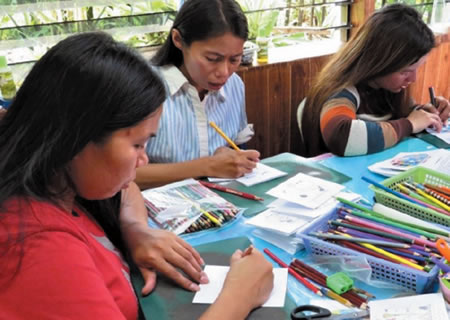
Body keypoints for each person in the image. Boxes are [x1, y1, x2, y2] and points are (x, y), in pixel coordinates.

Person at [0, 32, 273, 319]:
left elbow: (125, 188)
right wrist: (240, 294)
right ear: (77, 138)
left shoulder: (55, 178)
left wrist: (135, 229)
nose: (144, 158)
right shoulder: (40, 250)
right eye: (138, 145)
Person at [135, 0, 260, 190]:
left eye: (235, 59)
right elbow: (125, 176)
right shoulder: (143, 89)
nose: (224, 72)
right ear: (178, 39)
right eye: (212, 59)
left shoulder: (234, 85)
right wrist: (208, 165)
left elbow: (238, 148)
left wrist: (234, 158)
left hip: (223, 204)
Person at [297, 4, 450, 157]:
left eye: (417, 69)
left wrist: (425, 113)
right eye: (405, 71)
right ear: (380, 62)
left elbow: (396, 120)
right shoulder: (341, 91)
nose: (413, 78)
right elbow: (342, 136)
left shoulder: (386, 88)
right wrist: (409, 124)